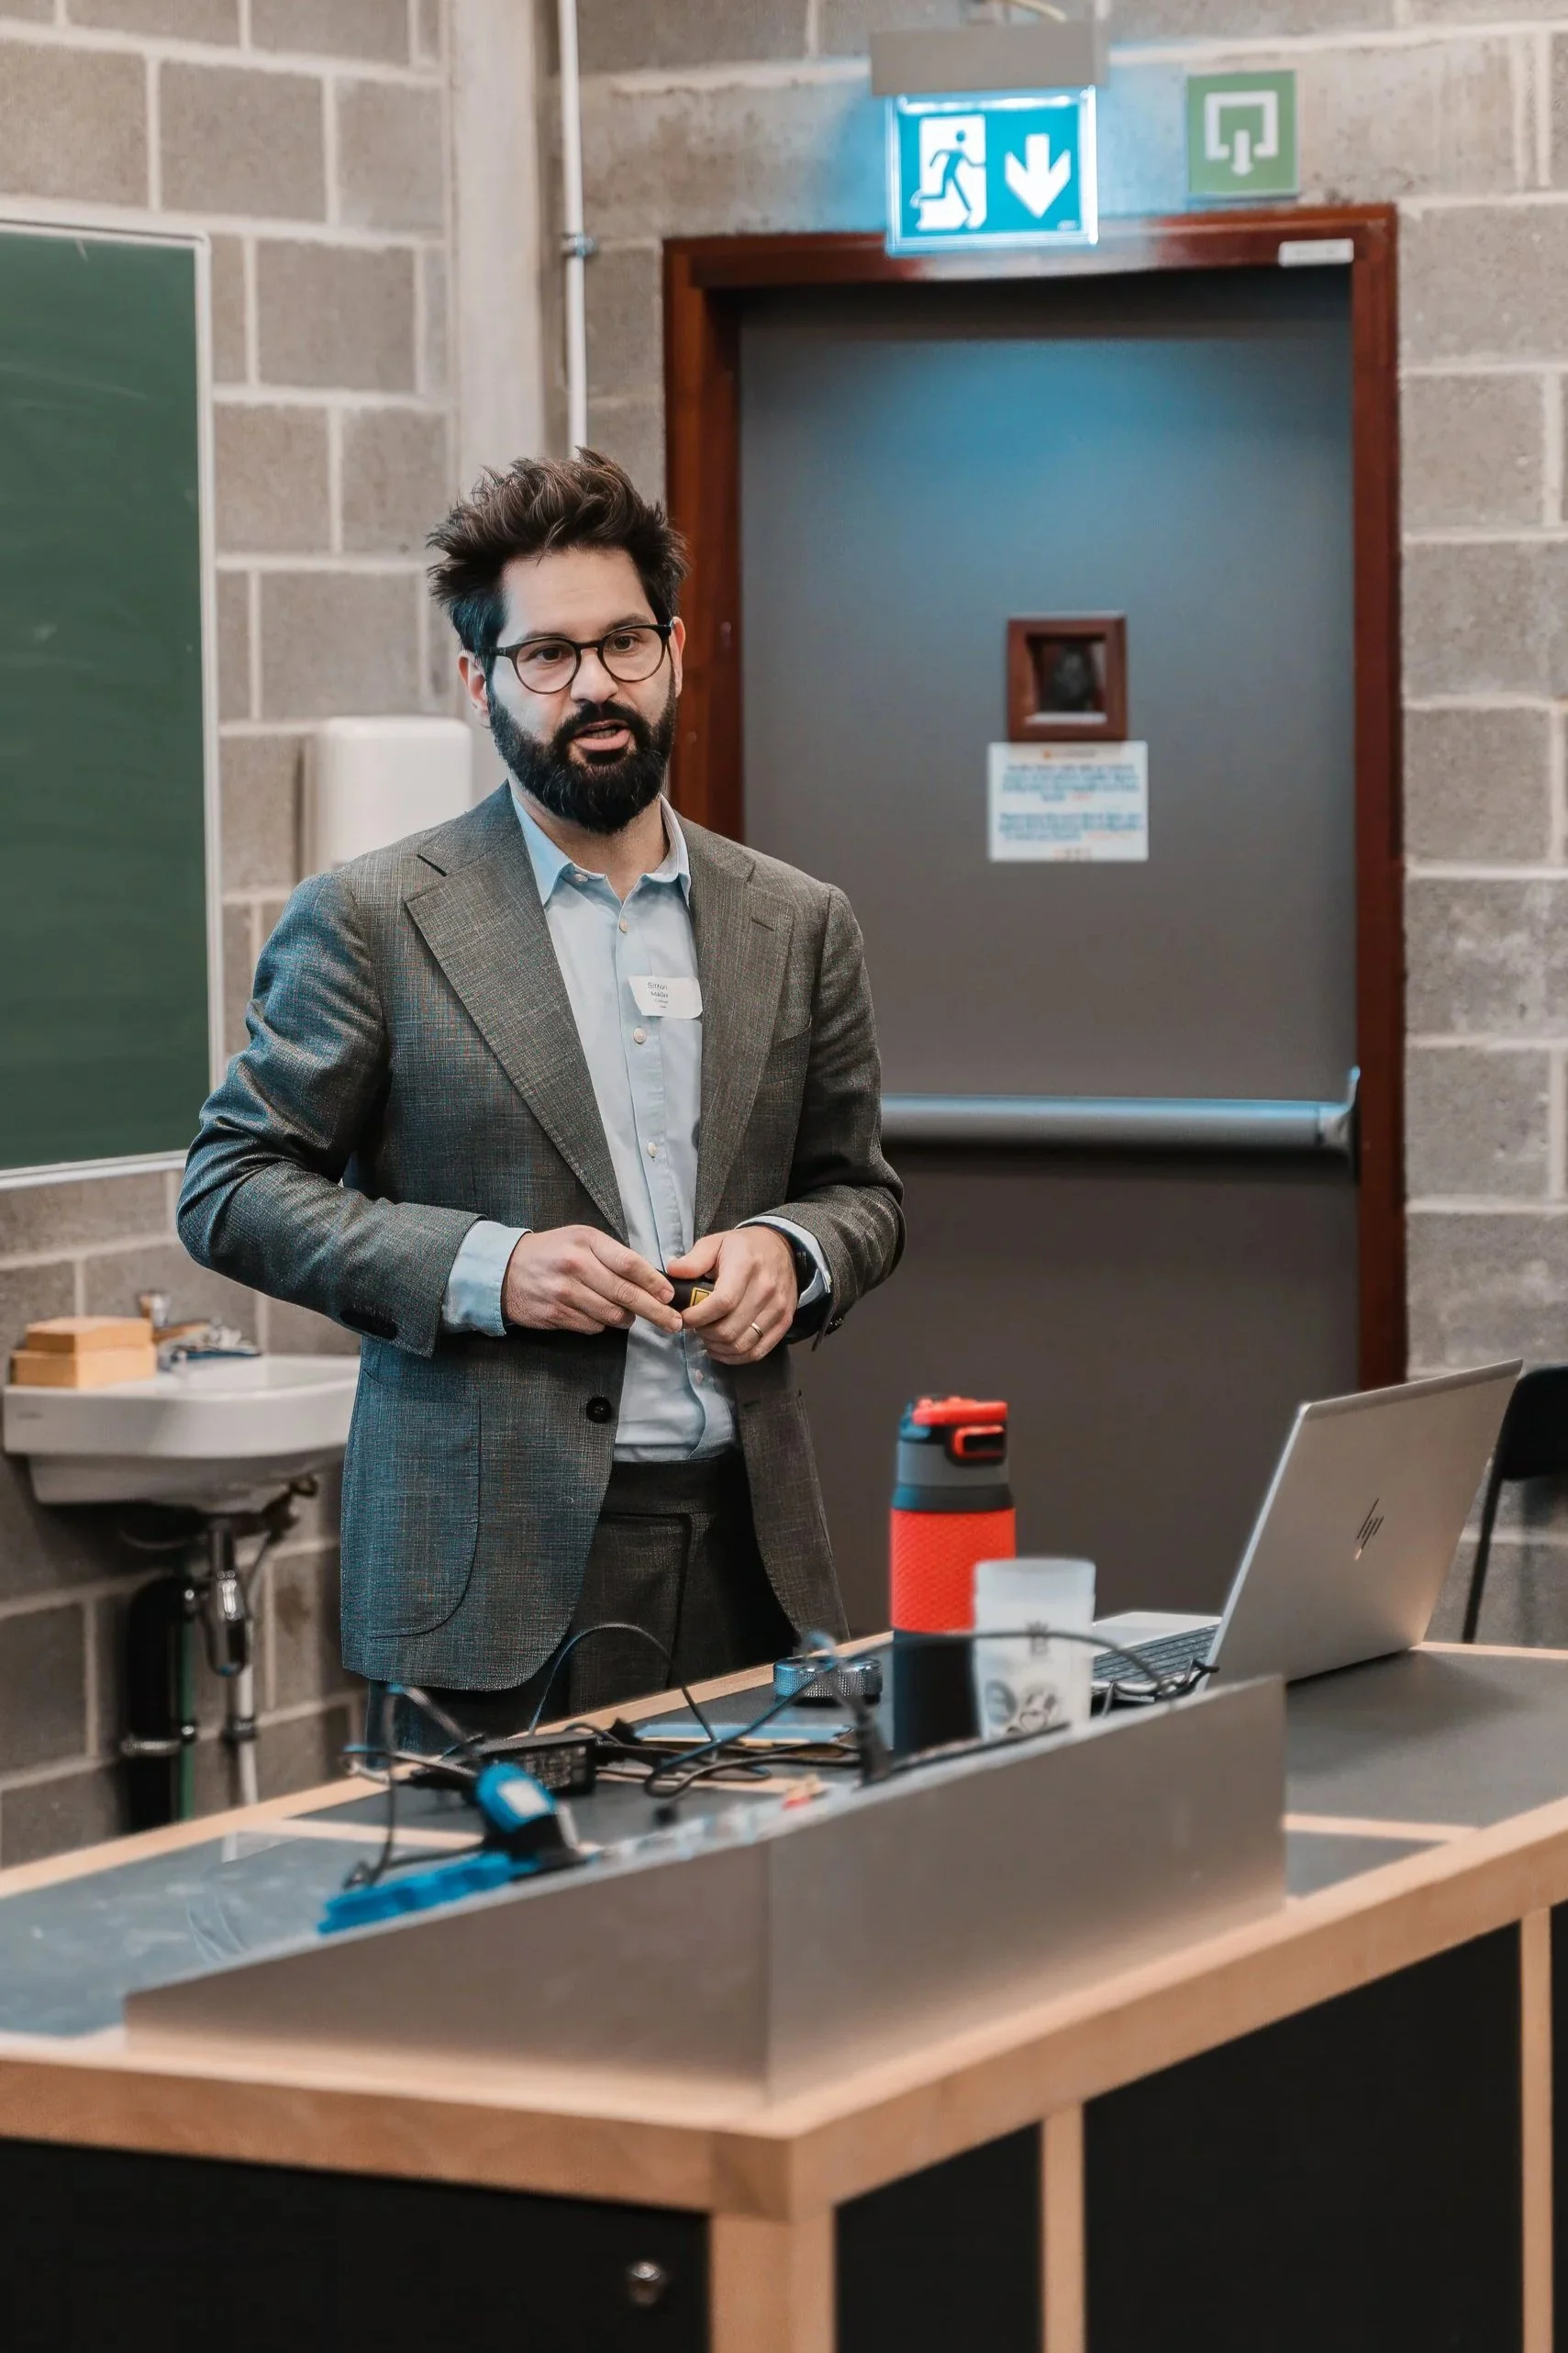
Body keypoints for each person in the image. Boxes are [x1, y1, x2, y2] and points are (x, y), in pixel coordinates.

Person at [178, 452, 903, 1738]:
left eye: (624, 644)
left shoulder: (798, 922)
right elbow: (230, 1189)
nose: (596, 688)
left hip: (750, 1542)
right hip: (487, 1573)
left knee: (755, 1928)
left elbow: (860, 1194)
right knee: (500, 1939)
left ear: (675, 651)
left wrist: (792, 1254)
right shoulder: (374, 920)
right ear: (481, 682)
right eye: (548, 657)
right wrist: (486, 1267)